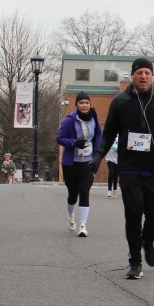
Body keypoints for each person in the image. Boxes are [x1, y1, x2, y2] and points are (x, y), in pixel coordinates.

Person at [90, 57, 154, 280]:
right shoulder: (120, 102)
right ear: (132, 76)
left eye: (147, 73)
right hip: (130, 168)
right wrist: (98, 156)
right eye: (139, 72)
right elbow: (108, 133)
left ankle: (148, 239)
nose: (143, 76)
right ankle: (135, 261)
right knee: (133, 213)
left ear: (152, 76)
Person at [56, 92, 102, 237]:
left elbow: (98, 137)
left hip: (87, 162)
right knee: (73, 193)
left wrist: (97, 156)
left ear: (90, 104)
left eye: (87, 103)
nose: (84, 105)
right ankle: (71, 217)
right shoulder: (70, 120)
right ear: (76, 105)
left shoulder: (94, 118)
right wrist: (74, 143)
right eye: (81, 103)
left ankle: (82, 225)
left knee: (84, 191)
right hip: (71, 163)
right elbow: (60, 138)